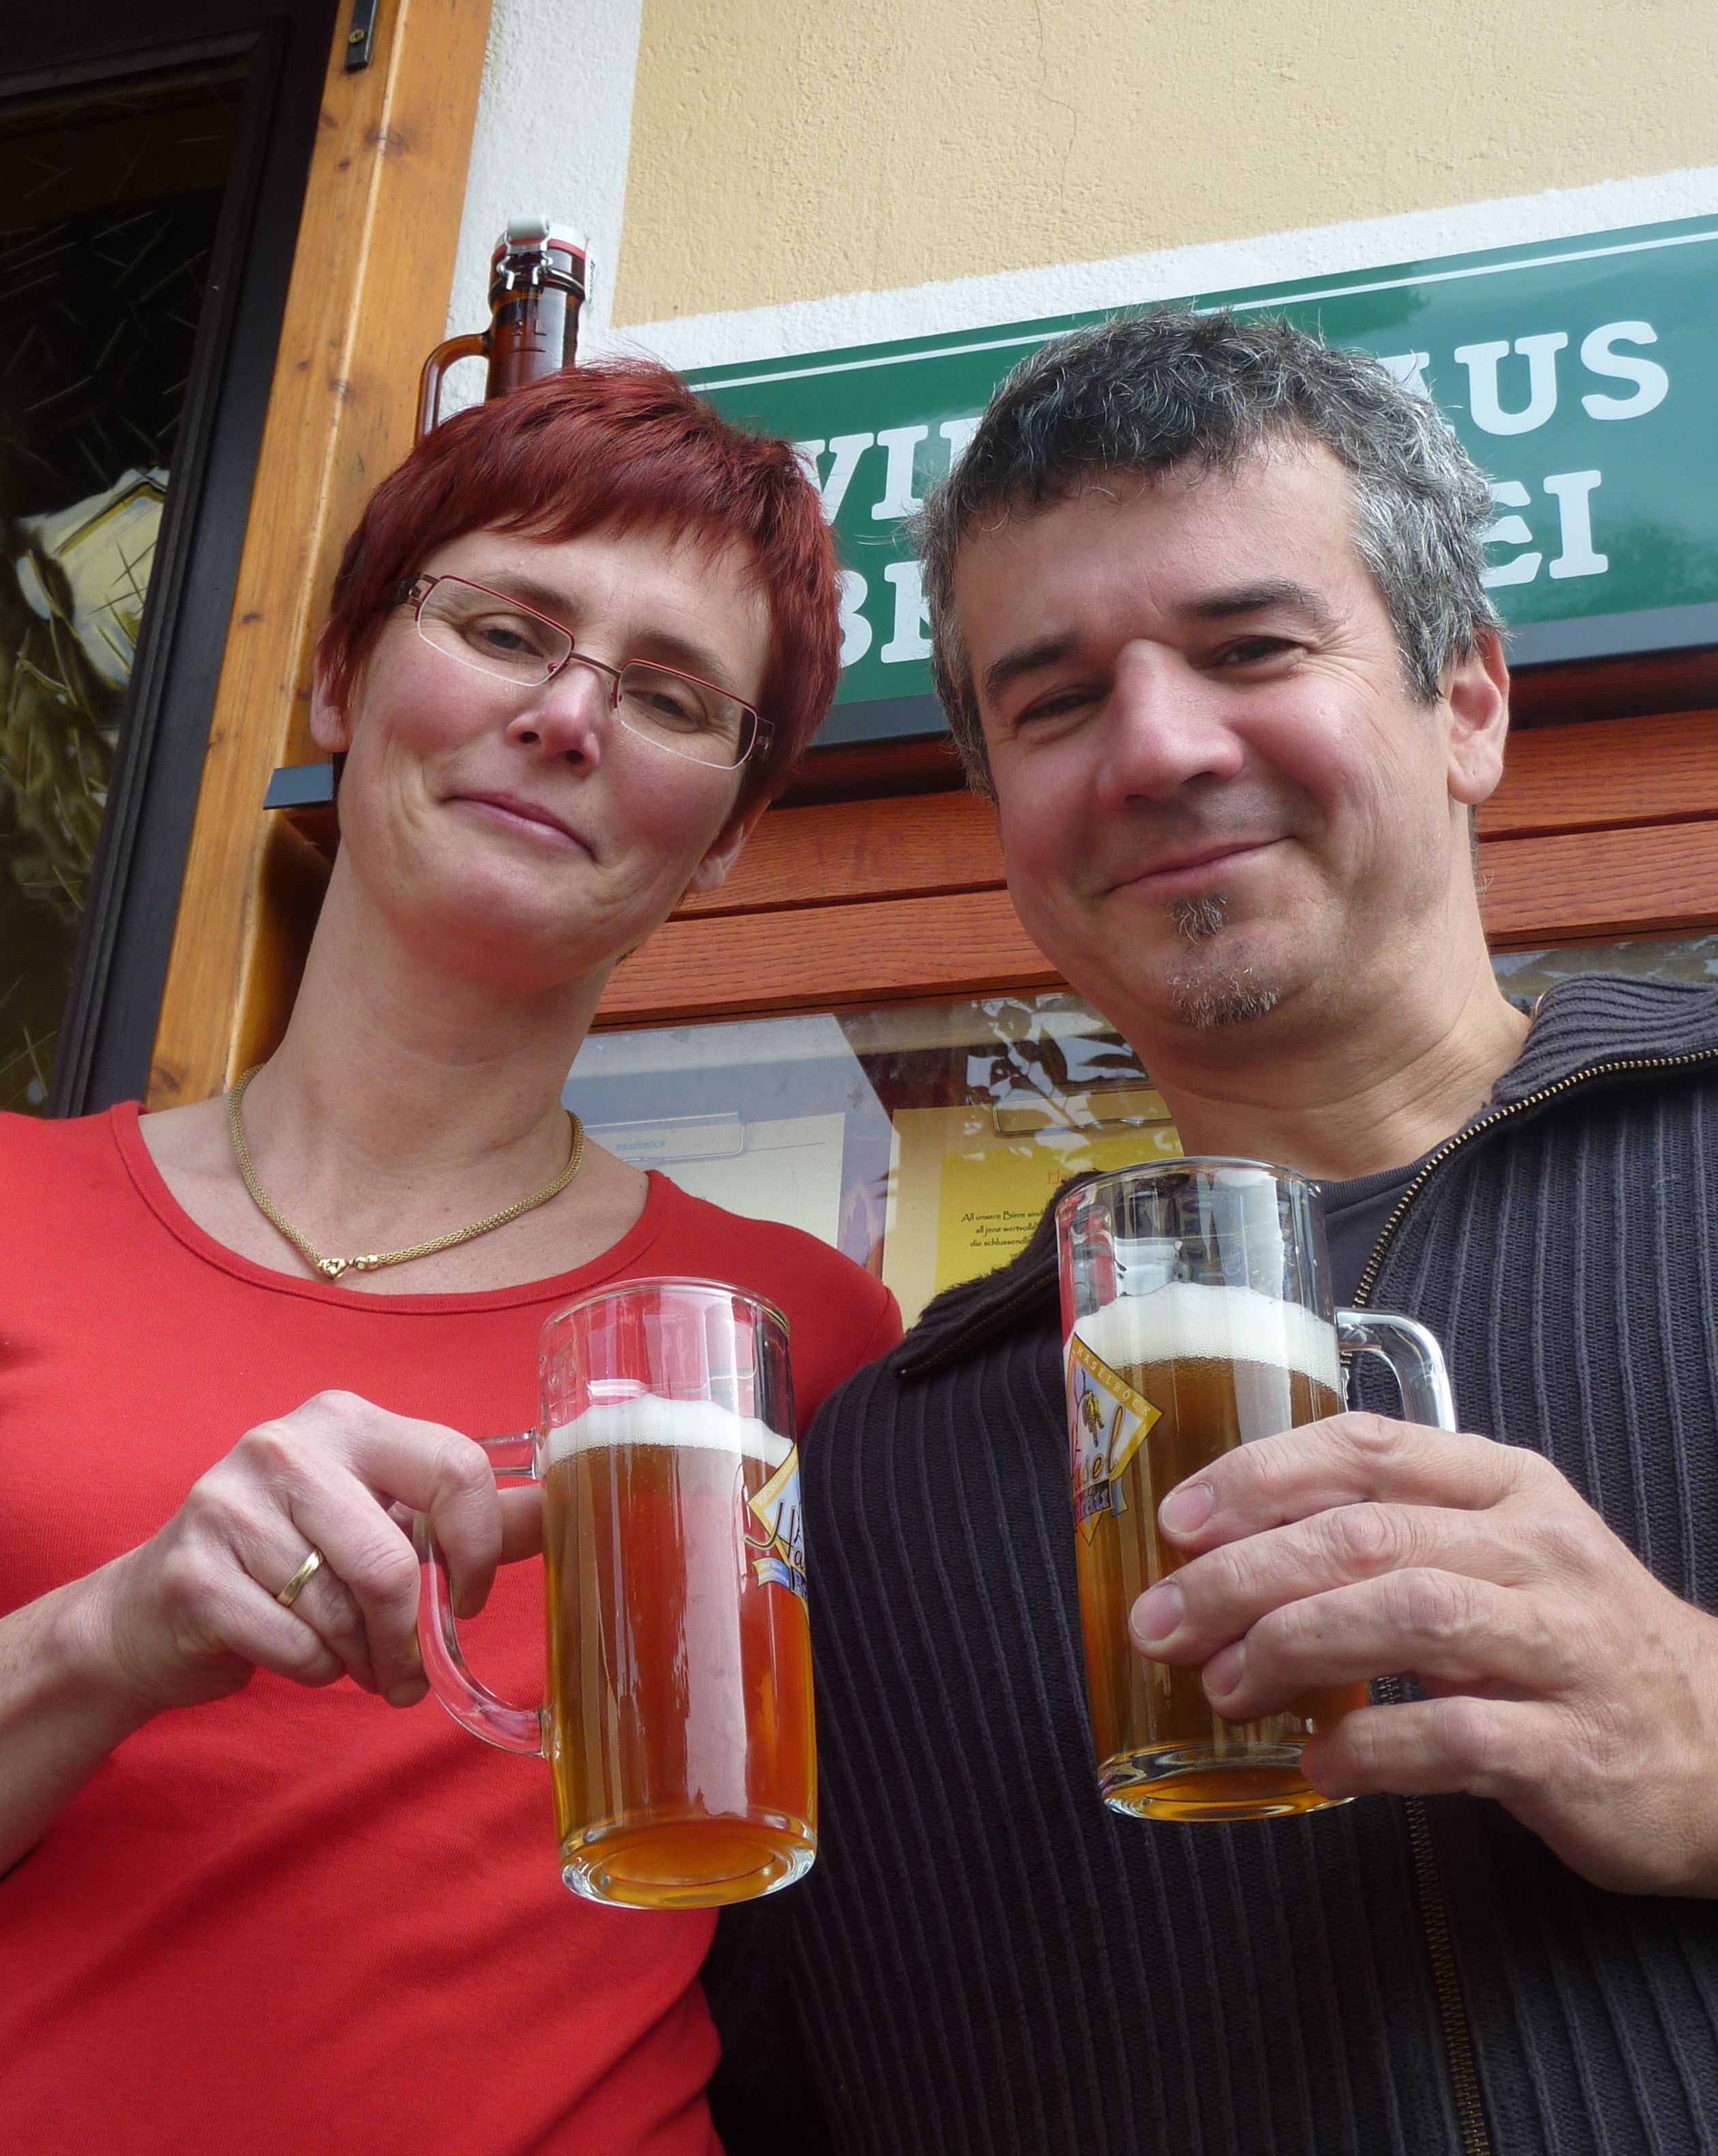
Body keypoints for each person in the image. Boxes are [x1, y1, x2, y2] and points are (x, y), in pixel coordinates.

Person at [705, 310, 1718, 2156]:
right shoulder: (869, 1476)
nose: (1159, 749)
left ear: (1468, 703)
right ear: (1003, 812)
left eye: (1252, 648)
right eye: (1055, 702)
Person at [0, 363, 899, 2154]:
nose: (567, 718)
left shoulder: (804, 1330)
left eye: (669, 697)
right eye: (504, 629)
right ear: (341, 676)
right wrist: (110, 1633)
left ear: (726, 838)